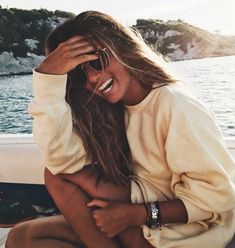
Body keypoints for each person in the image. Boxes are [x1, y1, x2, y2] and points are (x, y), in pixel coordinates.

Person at [6, 11, 235, 248]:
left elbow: (217, 198)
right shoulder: (110, 111)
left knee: (56, 178)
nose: (92, 78)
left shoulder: (173, 104)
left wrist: (134, 215)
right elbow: (59, 160)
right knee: (23, 236)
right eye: (77, 74)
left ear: (121, 46)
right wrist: (48, 79)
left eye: (97, 61)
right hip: (142, 212)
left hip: (183, 232)